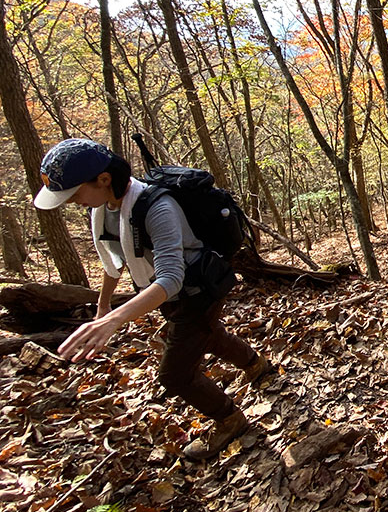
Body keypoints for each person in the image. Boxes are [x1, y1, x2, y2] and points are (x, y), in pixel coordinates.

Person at [34, 138, 272, 460]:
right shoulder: (103, 209)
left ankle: (230, 420)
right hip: (171, 299)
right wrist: (103, 308)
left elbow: (171, 277)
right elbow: (114, 263)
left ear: (104, 180)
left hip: (198, 291)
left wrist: (117, 318)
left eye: (75, 193)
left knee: (175, 376)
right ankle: (257, 366)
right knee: (208, 335)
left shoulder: (157, 207)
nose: (73, 201)